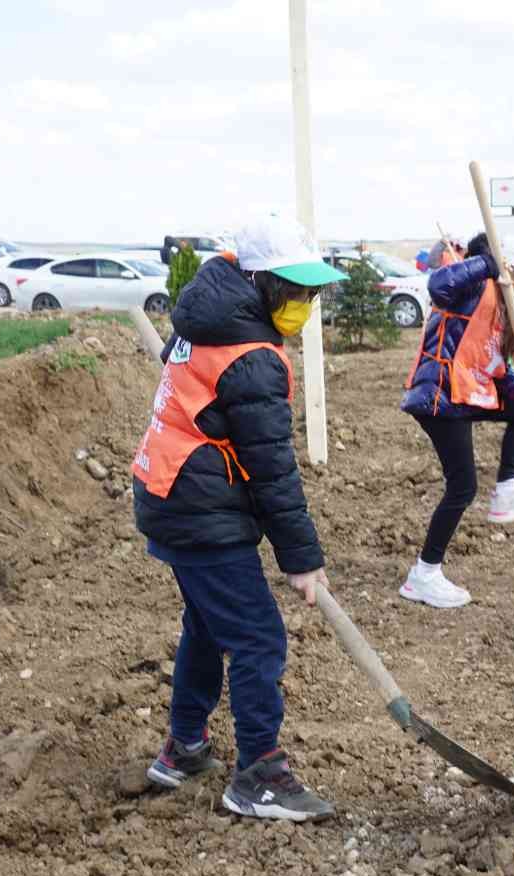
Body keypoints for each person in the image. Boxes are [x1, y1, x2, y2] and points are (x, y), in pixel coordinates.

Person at [131, 211, 348, 821]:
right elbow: (272, 468)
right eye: (297, 290)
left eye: (312, 292)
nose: (305, 303)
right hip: (200, 508)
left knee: (207, 623)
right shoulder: (252, 356)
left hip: (170, 494)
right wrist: (302, 560)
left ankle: (185, 747)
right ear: (260, 281)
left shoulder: (207, 321)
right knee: (257, 636)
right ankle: (259, 775)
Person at [398, 233, 514, 608]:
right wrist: (491, 263)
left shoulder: (501, 308)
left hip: (463, 392)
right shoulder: (476, 285)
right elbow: (438, 284)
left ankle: (506, 491)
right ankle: (423, 575)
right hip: (438, 394)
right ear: (513, 272)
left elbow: (494, 368)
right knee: (462, 487)